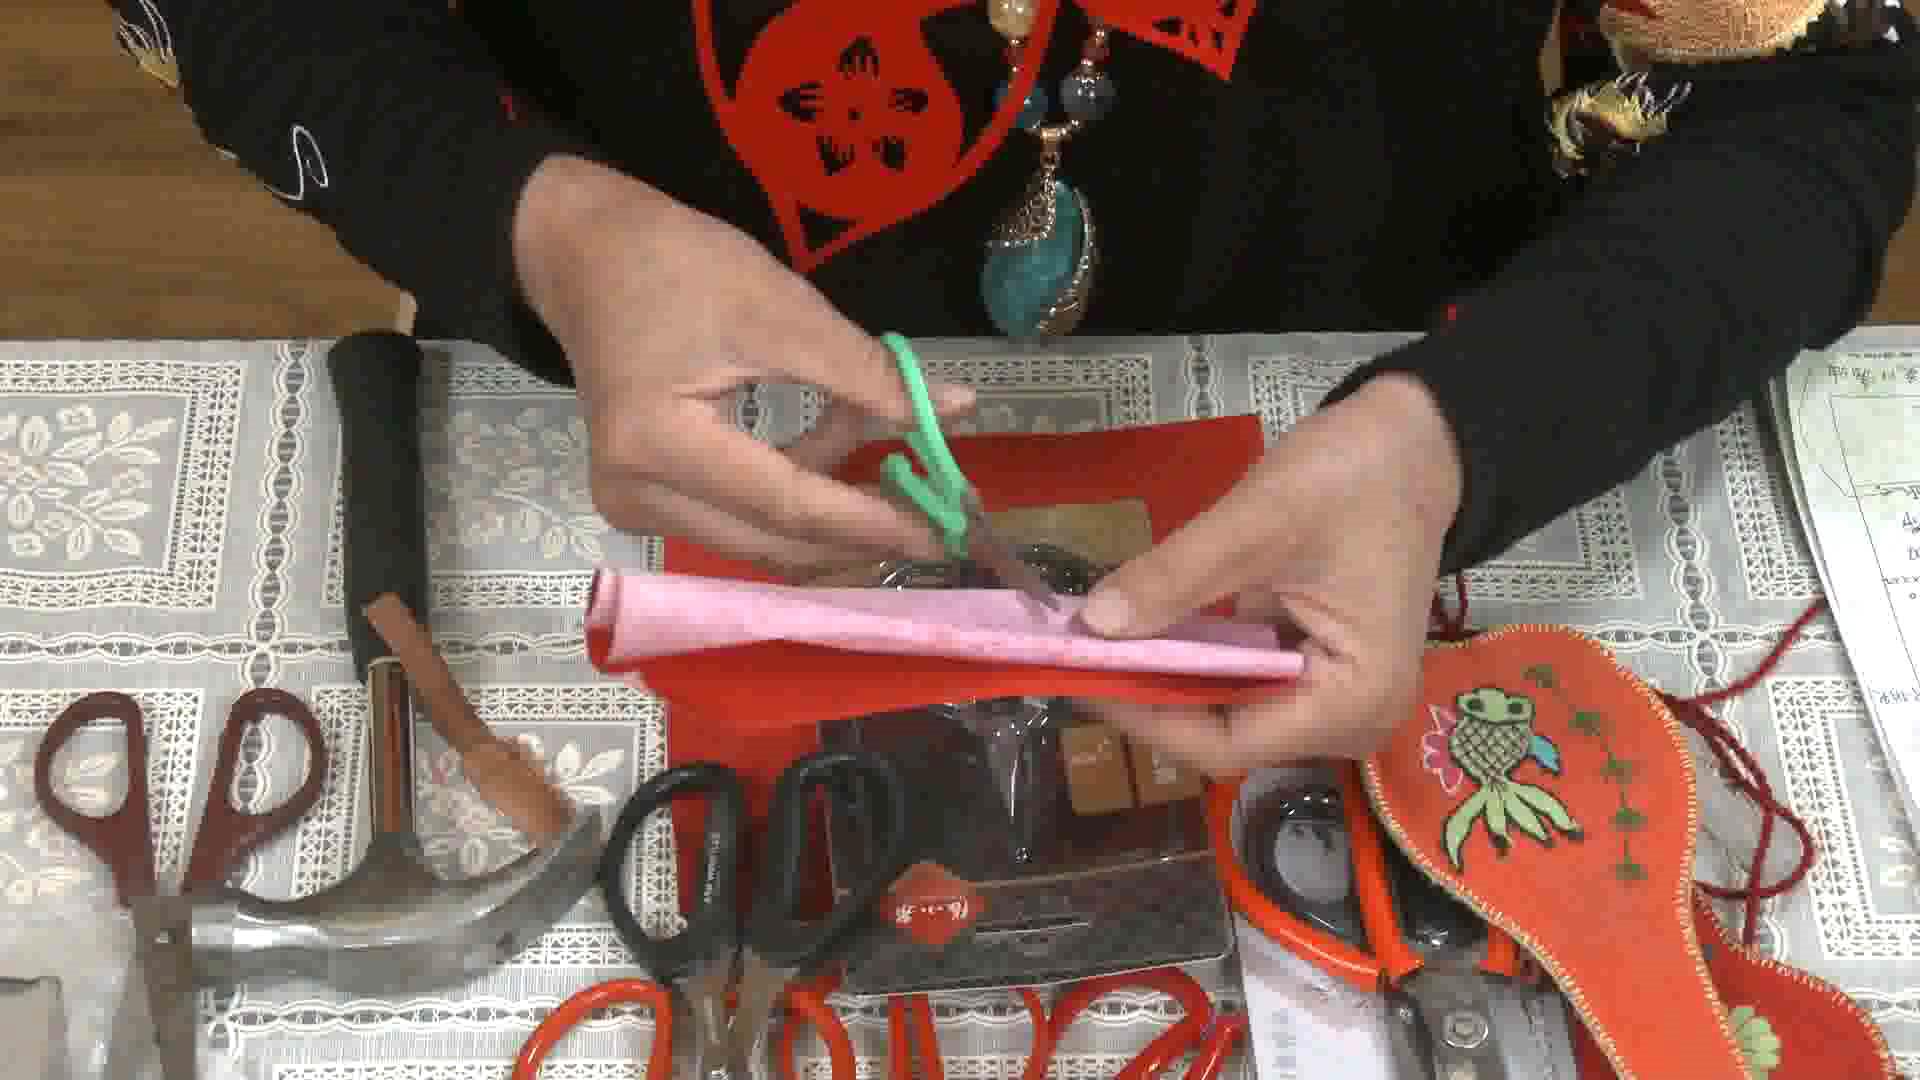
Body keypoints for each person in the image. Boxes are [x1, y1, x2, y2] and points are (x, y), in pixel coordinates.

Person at [111, 0, 1915, 773]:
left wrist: (1464, 431)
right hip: (632, 351)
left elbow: (1826, 93)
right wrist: (540, 225)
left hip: (1419, 359)